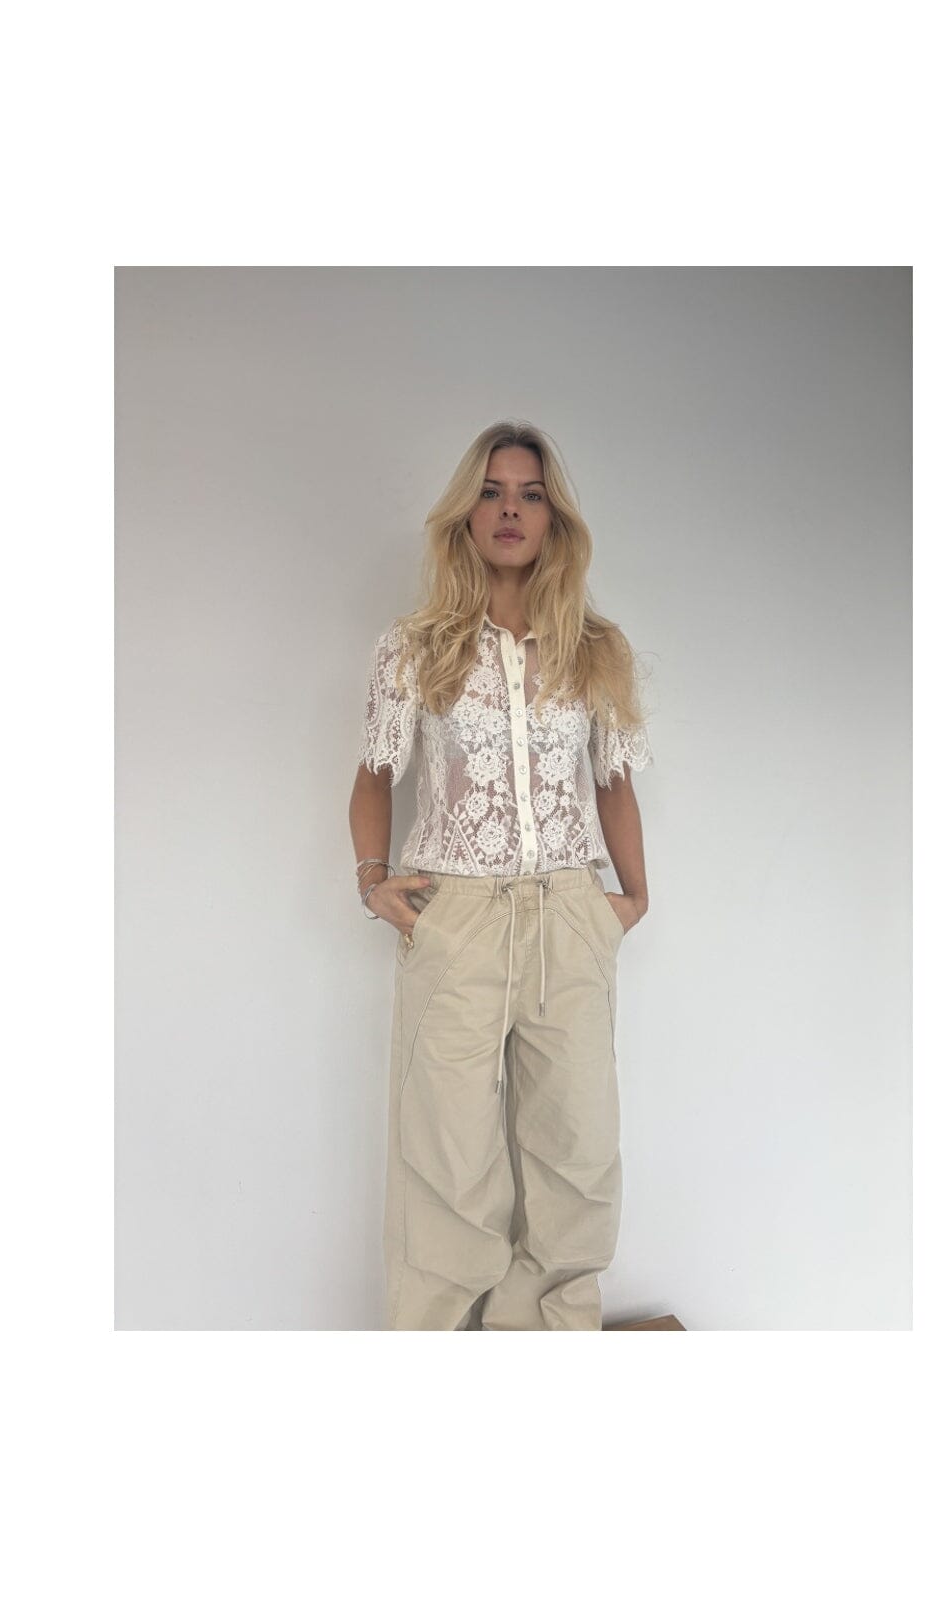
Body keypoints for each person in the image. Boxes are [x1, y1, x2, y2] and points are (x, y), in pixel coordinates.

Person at [349, 420, 654, 1330]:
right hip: (456, 916)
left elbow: (613, 783)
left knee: (578, 1154)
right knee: (447, 1161)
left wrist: (629, 900)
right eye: (490, 492)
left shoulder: (595, 648)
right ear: (465, 514)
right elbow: (373, 777)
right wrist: (373, 880)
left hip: (568, 914)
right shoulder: (413, 647)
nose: (509, 510)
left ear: (554, 518)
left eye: (528, 494)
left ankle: (548, 1339)